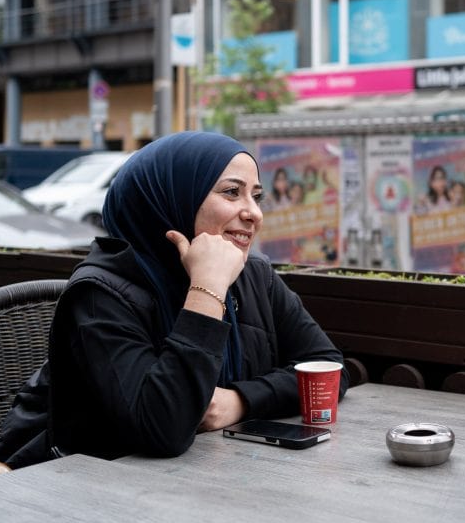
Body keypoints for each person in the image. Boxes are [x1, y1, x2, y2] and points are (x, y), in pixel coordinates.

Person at [42, 131, 349, 461]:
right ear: (170, 199)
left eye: (256, 197)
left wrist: (239, 401)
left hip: (219, 480)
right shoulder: (98, 294)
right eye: (232, 193)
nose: (254, 214)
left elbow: (328, 369)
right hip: (100, 492)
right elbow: (163, 430)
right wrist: (208, 288)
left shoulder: (252, 274)